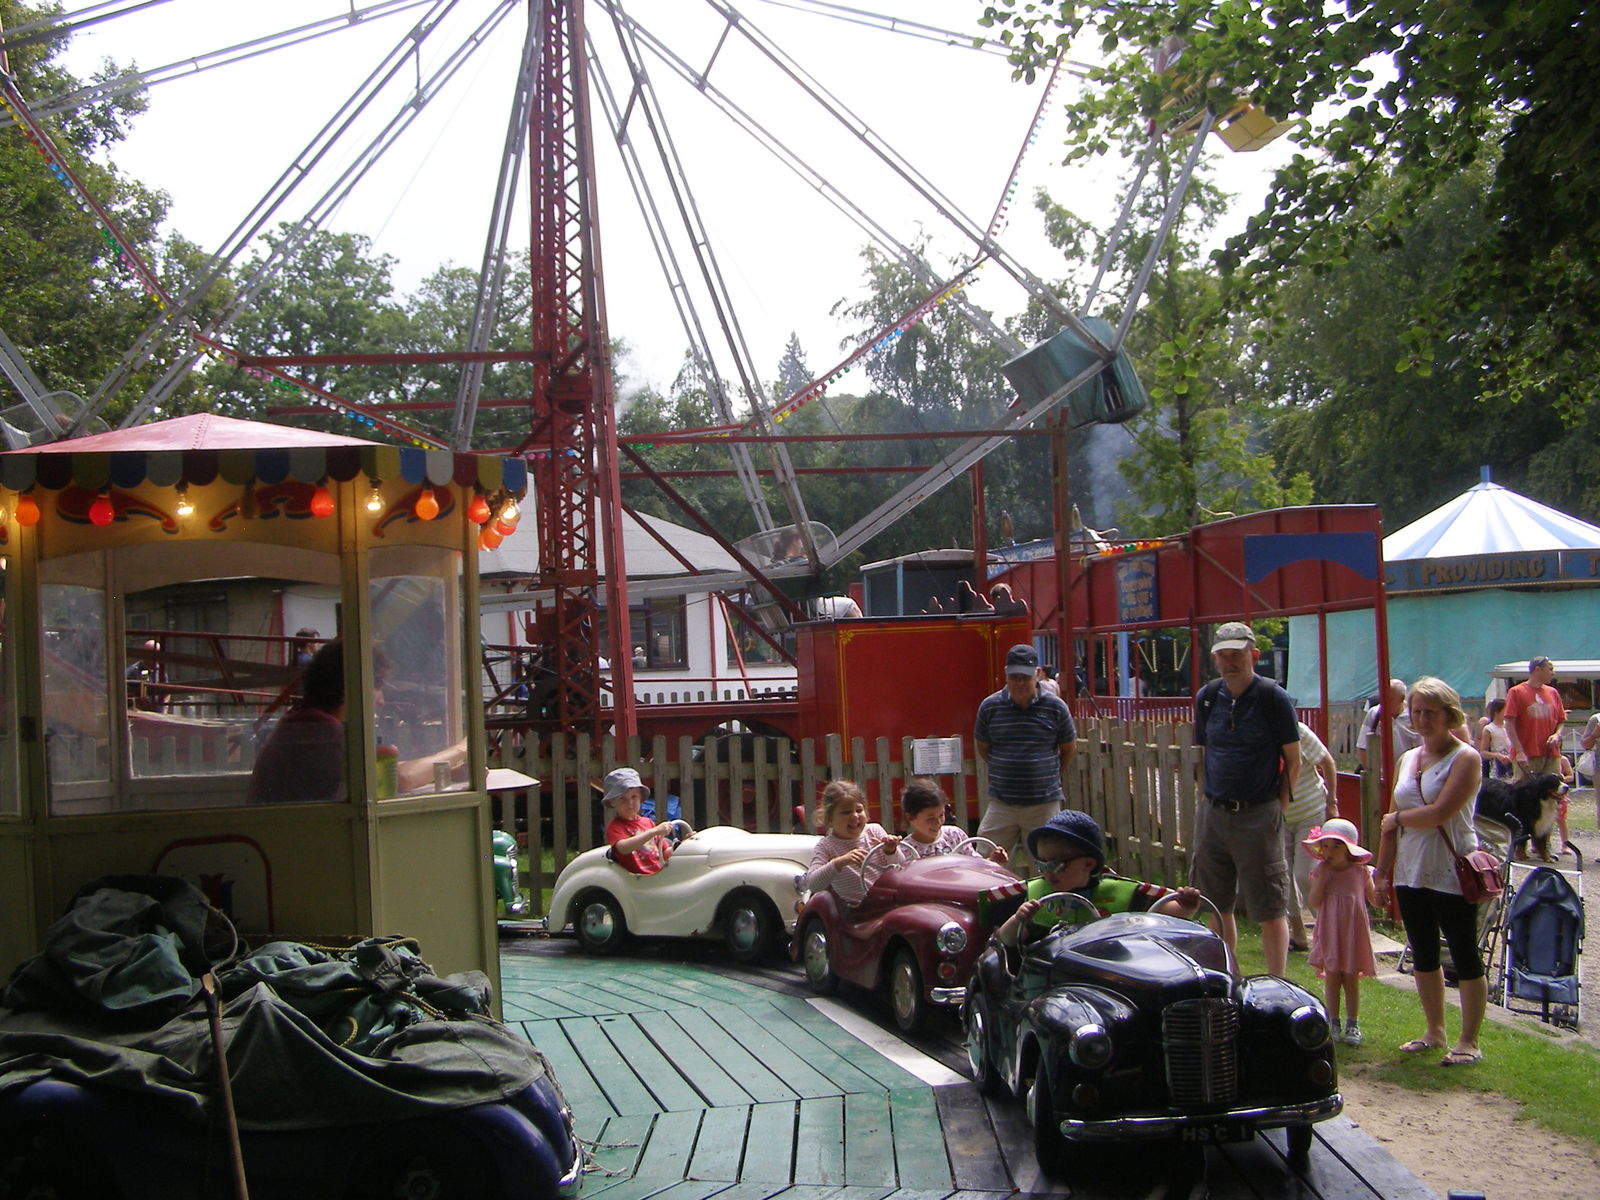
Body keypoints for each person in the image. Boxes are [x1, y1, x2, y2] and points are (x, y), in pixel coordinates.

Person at [1376, 677, 1487, 1066]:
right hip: (1412, 868)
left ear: (1448, 714)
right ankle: (1434, 1031)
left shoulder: (1466, 758)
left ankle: (1469, 1040)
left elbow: (1440, 812)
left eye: (1430, 712)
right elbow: (1389, 823)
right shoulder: (1408, 758)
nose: (1422, 719)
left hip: (1451, 868)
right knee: (1422, 950)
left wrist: (1398, 819)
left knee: (1463, 950)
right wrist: (1381, 872)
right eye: (1416, 711)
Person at [1192, 621, 1300, 977]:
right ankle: (1227, 978)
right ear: (1215, 659)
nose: (1230, 662)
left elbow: (1294, 759)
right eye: (1223, 655)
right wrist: (1206, 797)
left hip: (1259, 813)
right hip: (1214, 812)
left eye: (1236, 654)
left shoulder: (1273, 698)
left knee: (1270, 907)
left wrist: (1278, 809)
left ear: (1253, 655)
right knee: (1216, 904)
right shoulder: (1207, 697)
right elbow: (1204, 753)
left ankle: (1277, 984)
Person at [247, 640, 467, 804]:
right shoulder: (321, 728)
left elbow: (388, 770)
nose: (381, 701)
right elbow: (402, 778)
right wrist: (461, 749)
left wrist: (445, 772)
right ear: (353, 684)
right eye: (377, 686)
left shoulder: (304, 718)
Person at [993, 809, 1200, 947]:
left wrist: (1186, 906)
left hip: (1103, 974)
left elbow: (1162, 915)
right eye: (1042, 865)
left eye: (1057, 865)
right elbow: (1004, 941)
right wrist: (1019, 919)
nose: (1048, 873)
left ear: (1088, 864)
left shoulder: (1119, 893)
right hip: (1050, 978)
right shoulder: (1035, 894)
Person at [974, 643, 1077, 864]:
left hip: (1044, 804)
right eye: (1014, 677)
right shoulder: (990, 707)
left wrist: (1050, 775)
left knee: (1050, 864)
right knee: (985, 861)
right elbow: (983, 747)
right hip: (1002, 802)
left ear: (1037, 674)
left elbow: (1068, 749)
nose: (1020, 683)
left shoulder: (1056, 707)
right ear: (1006, 674)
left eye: (1025, 677)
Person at [1303, 818, 1379, 1046]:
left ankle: (1353, 1023)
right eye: (1325, 846)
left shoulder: (1360, 872)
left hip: (1353, 932)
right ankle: (1333, 1022)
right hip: (1331, 931)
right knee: (1333, 977)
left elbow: (1374, 899)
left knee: (1351, 978)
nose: (1329, 852)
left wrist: (1383, 889)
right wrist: (1321, 880)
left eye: (1336, 846)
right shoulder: (1321, 872)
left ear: (1349, 849)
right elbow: (1314, 902)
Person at [1283, 721, 1338, 952]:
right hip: (1280, 816)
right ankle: (1298, 935)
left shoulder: (1298, 731)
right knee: (1284, 878)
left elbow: (1327, 762)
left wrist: (1332, 802)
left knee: (1305, 874)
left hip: (1310, 811)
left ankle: (1329, 932)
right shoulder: (1258, 736)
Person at [802, 780, 900, 905]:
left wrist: (891, 851)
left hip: (887, 900)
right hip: (855, 908)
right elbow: (813, 884)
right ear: (830, 819)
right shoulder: (826, 846)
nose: (854, 816)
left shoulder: (874, 831)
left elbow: (902, 867)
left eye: (859, 810)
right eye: (846, 812)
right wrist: (839, 862)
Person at [605, 766, 692, 875]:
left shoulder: (648, 822)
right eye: (622, 798)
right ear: (612, 802)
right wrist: (652, 832)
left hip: (657, 876)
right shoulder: (615, 827)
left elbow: (664, 854)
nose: (630, 803)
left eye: (634, 797)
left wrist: (683, 845)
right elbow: (623, 848)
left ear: (640, 798)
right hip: (638, 879)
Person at [900, 777, 1009, 862]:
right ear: (911, 818)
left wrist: (992, 861)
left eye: (941, 815)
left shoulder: (955, 835)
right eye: (930, 818)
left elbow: (975, 865)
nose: (938, 823)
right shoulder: (906, 850)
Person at [1505, 655, 1566, 778]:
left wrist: (1557, 734)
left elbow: (1561, 720)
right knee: (1525, 788)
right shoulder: (1516, 692)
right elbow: (1509, 723)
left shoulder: (1553, 693)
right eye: (1550, 669)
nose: (1553, 673)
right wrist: (1519, 751)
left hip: (1551, 754)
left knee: (1553, 788)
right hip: (1526, 755)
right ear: (1538, 669)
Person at [1356, 679, 1419, 772]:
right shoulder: (1374, 714)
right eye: (1382, 697)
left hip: (1407, 772)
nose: (1384, 702)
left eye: (1390, 699)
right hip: (1381, 773)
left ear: (1401, 699)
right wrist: (1371, 773)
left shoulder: (1413, 716)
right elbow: (1362, 746)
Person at [1477, 697, 1514, 780]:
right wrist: (1497, 755)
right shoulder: (1489, 729)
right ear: (1497, 712)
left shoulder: (1509, 726)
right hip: (1497, 769)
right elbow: (1483, 752)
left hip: (1512, 765)